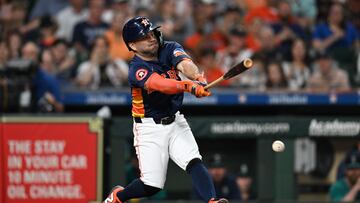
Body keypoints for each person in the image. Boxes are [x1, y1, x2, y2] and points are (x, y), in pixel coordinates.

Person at [103, 16, 228, 203]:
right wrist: (188, 86)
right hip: (149, 127)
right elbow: (161, 84)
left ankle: (212, 200)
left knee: (193, 161)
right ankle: (118, 196)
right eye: (144, 36)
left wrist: (197, 78)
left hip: (175, 119)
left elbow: (185, 64)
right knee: (151, 185)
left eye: (151, 32)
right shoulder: (136, 69)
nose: (151, 37)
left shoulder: (168, 47)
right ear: (133, 45)